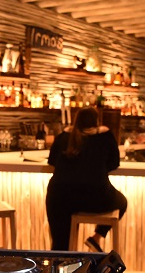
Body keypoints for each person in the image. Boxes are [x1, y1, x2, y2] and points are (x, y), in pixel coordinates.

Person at [46, 106, 127, 251]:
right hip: (95, 197)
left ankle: (61, 262)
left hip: (60, 198)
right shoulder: (105, 137)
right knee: (122, 202)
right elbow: (114, 164)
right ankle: (96, 238)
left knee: (60, 245)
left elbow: (52, 162)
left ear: (76, 120)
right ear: (97, 121)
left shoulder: (63, 137)